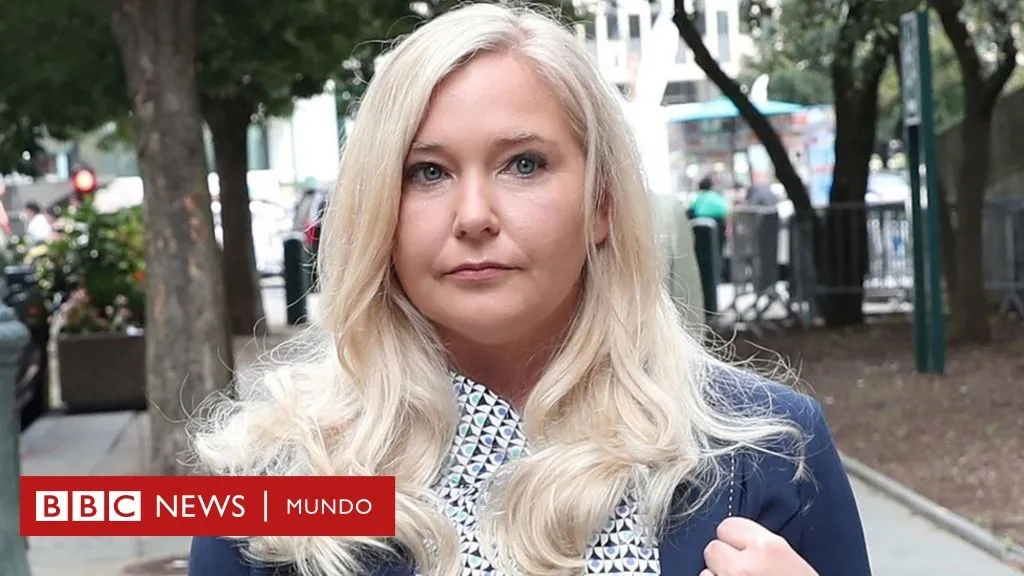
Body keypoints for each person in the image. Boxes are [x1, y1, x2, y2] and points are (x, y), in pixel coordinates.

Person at [188, 4, 871, 576]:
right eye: (428, 172)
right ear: (378, 212)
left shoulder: (766, 453)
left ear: (602, 202)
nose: (474, 216)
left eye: (523, 164)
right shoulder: (272, 479)